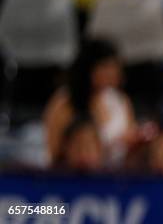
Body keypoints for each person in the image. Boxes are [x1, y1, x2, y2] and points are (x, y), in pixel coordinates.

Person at [44, 39, 138, 167]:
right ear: (89, 68)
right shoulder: (64, 102)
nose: (111, 73)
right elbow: (53, 153)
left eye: (114, 67)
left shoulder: (121, 101)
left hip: (115, 178)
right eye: (105, 66)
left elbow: (130, 147)